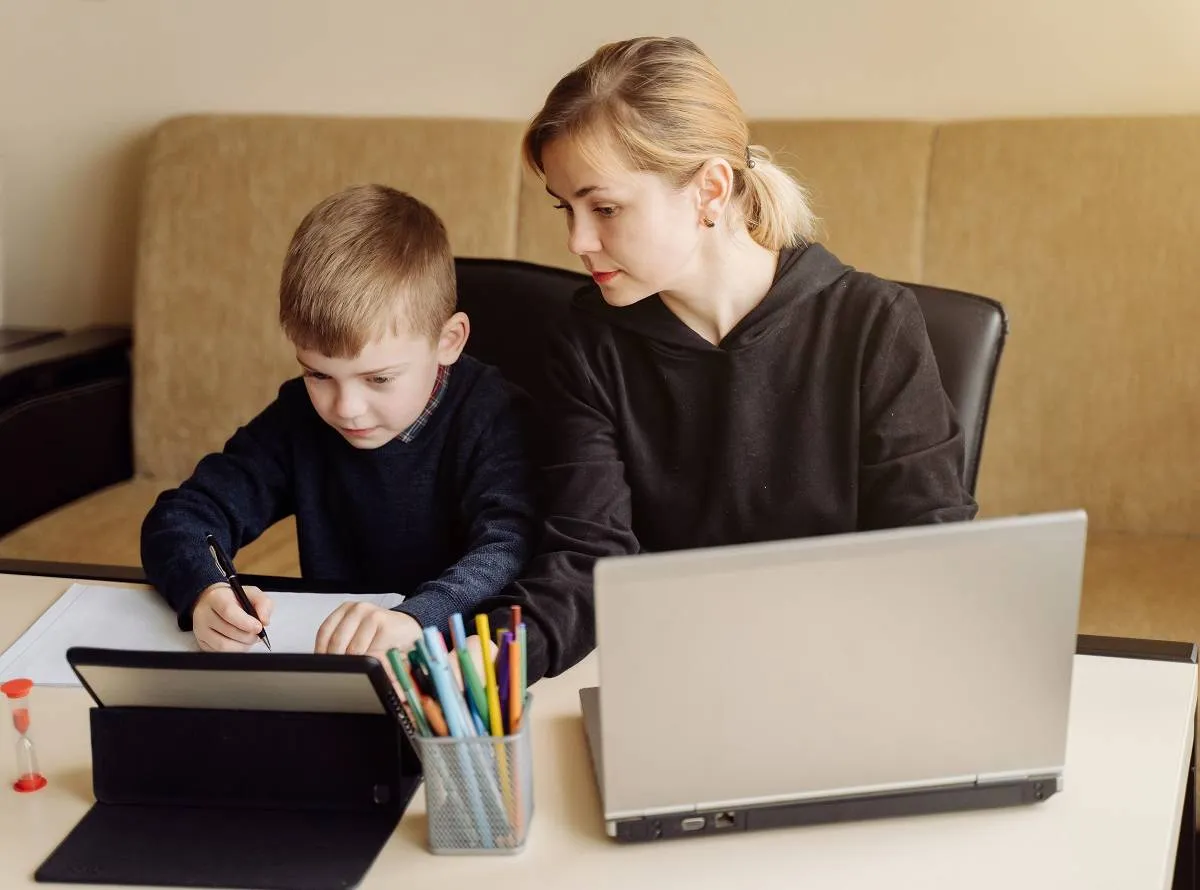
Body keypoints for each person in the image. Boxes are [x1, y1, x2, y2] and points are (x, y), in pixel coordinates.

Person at [473, 36, 977, 682]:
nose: (578, 240)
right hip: (677, 676)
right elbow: (587, 556)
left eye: (604, 208)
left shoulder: (873, 324)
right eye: (566, 209)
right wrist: (487, 664)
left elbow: (929, 551)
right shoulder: (588, 342)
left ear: (710, 189)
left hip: (846, 672)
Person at [141, 184, 538, 656]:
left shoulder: (495, 416)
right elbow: (182, 515)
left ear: (449, 340)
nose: (345, 407)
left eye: (380, 378)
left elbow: (509, 548)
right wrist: (207, 591)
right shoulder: (299, 417)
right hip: (337, 670)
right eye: (318, 374)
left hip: (455, 674)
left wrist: (417, 617)